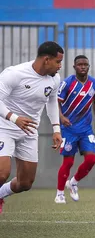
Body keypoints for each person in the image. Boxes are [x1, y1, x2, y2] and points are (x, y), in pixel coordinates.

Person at [0, 41, 63, 213]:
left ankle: (0, 194)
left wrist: (56, 129)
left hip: (28, 132)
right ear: (46, 60)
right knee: (2, 173)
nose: (60, 66)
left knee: (25, 183)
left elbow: (51, 102)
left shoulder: (54, 79)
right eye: (58, 62)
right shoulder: (15, 73)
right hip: (4, 127)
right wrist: (14, 118)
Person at [55, 55, 95, 204]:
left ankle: (73, 182)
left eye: (85, 64)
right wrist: (61, 117)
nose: (83, 66)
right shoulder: (67, 83)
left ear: (88, 67)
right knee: (68, 162)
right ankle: (60, 193)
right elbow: (56, 102)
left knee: (91, 159)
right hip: (69, 129)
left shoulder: (94, 83)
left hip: (86, 129)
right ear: (74, 67)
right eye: (80, 64)